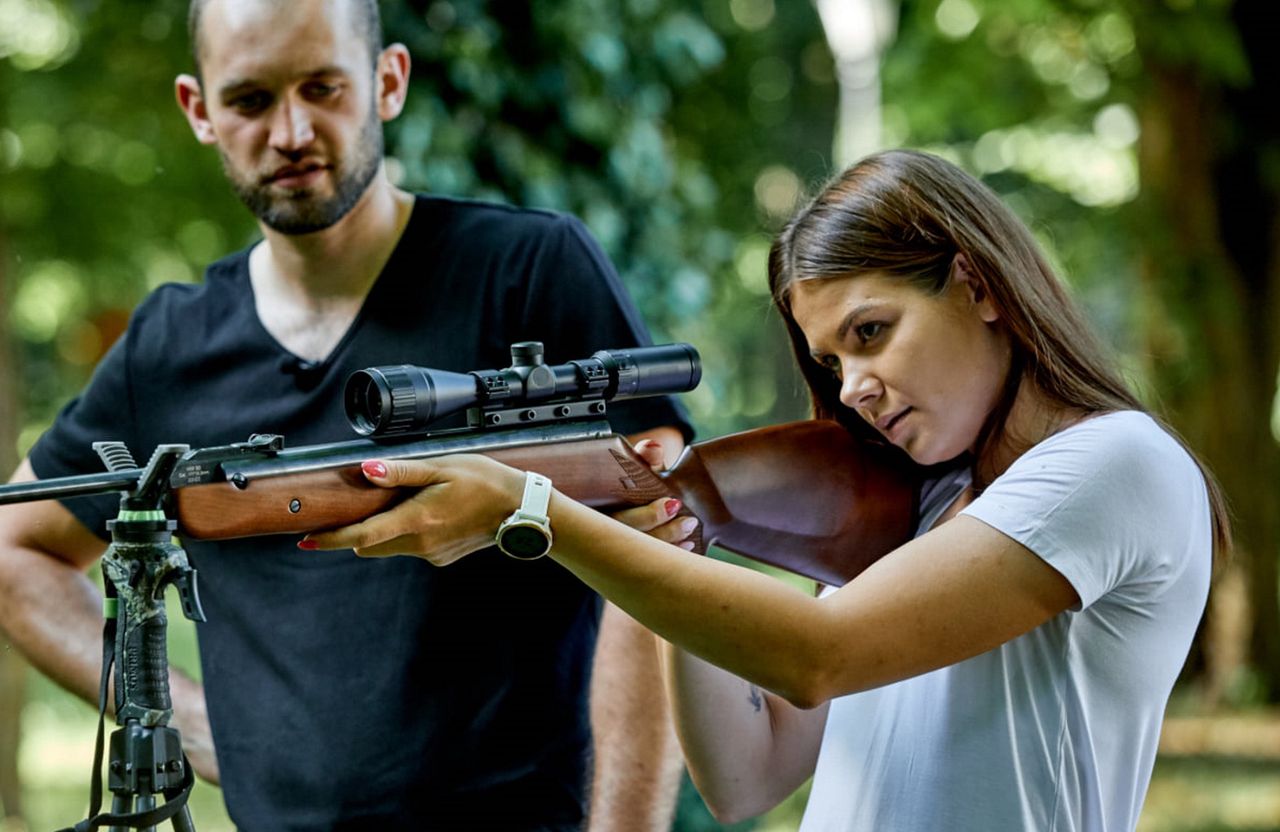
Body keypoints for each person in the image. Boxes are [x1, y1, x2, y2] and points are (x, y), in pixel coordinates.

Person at [302, 149, 1231, 831]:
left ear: (978, 285)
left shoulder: (1115, 465)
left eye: (872, 332)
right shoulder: (913, 503)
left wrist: (532, 510)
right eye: (830, 360)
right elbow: (748, 776)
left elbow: (817, 653)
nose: (852, 386)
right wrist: (676, 535)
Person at [0, 0, 693, 828]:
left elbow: (661, 554)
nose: (291, 132)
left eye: (323, 88)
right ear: (199, 110)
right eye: (251, 100)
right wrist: (196, 726)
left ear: (387, 81)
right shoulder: (167, 344)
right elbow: (17, 558)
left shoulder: (530, 268)